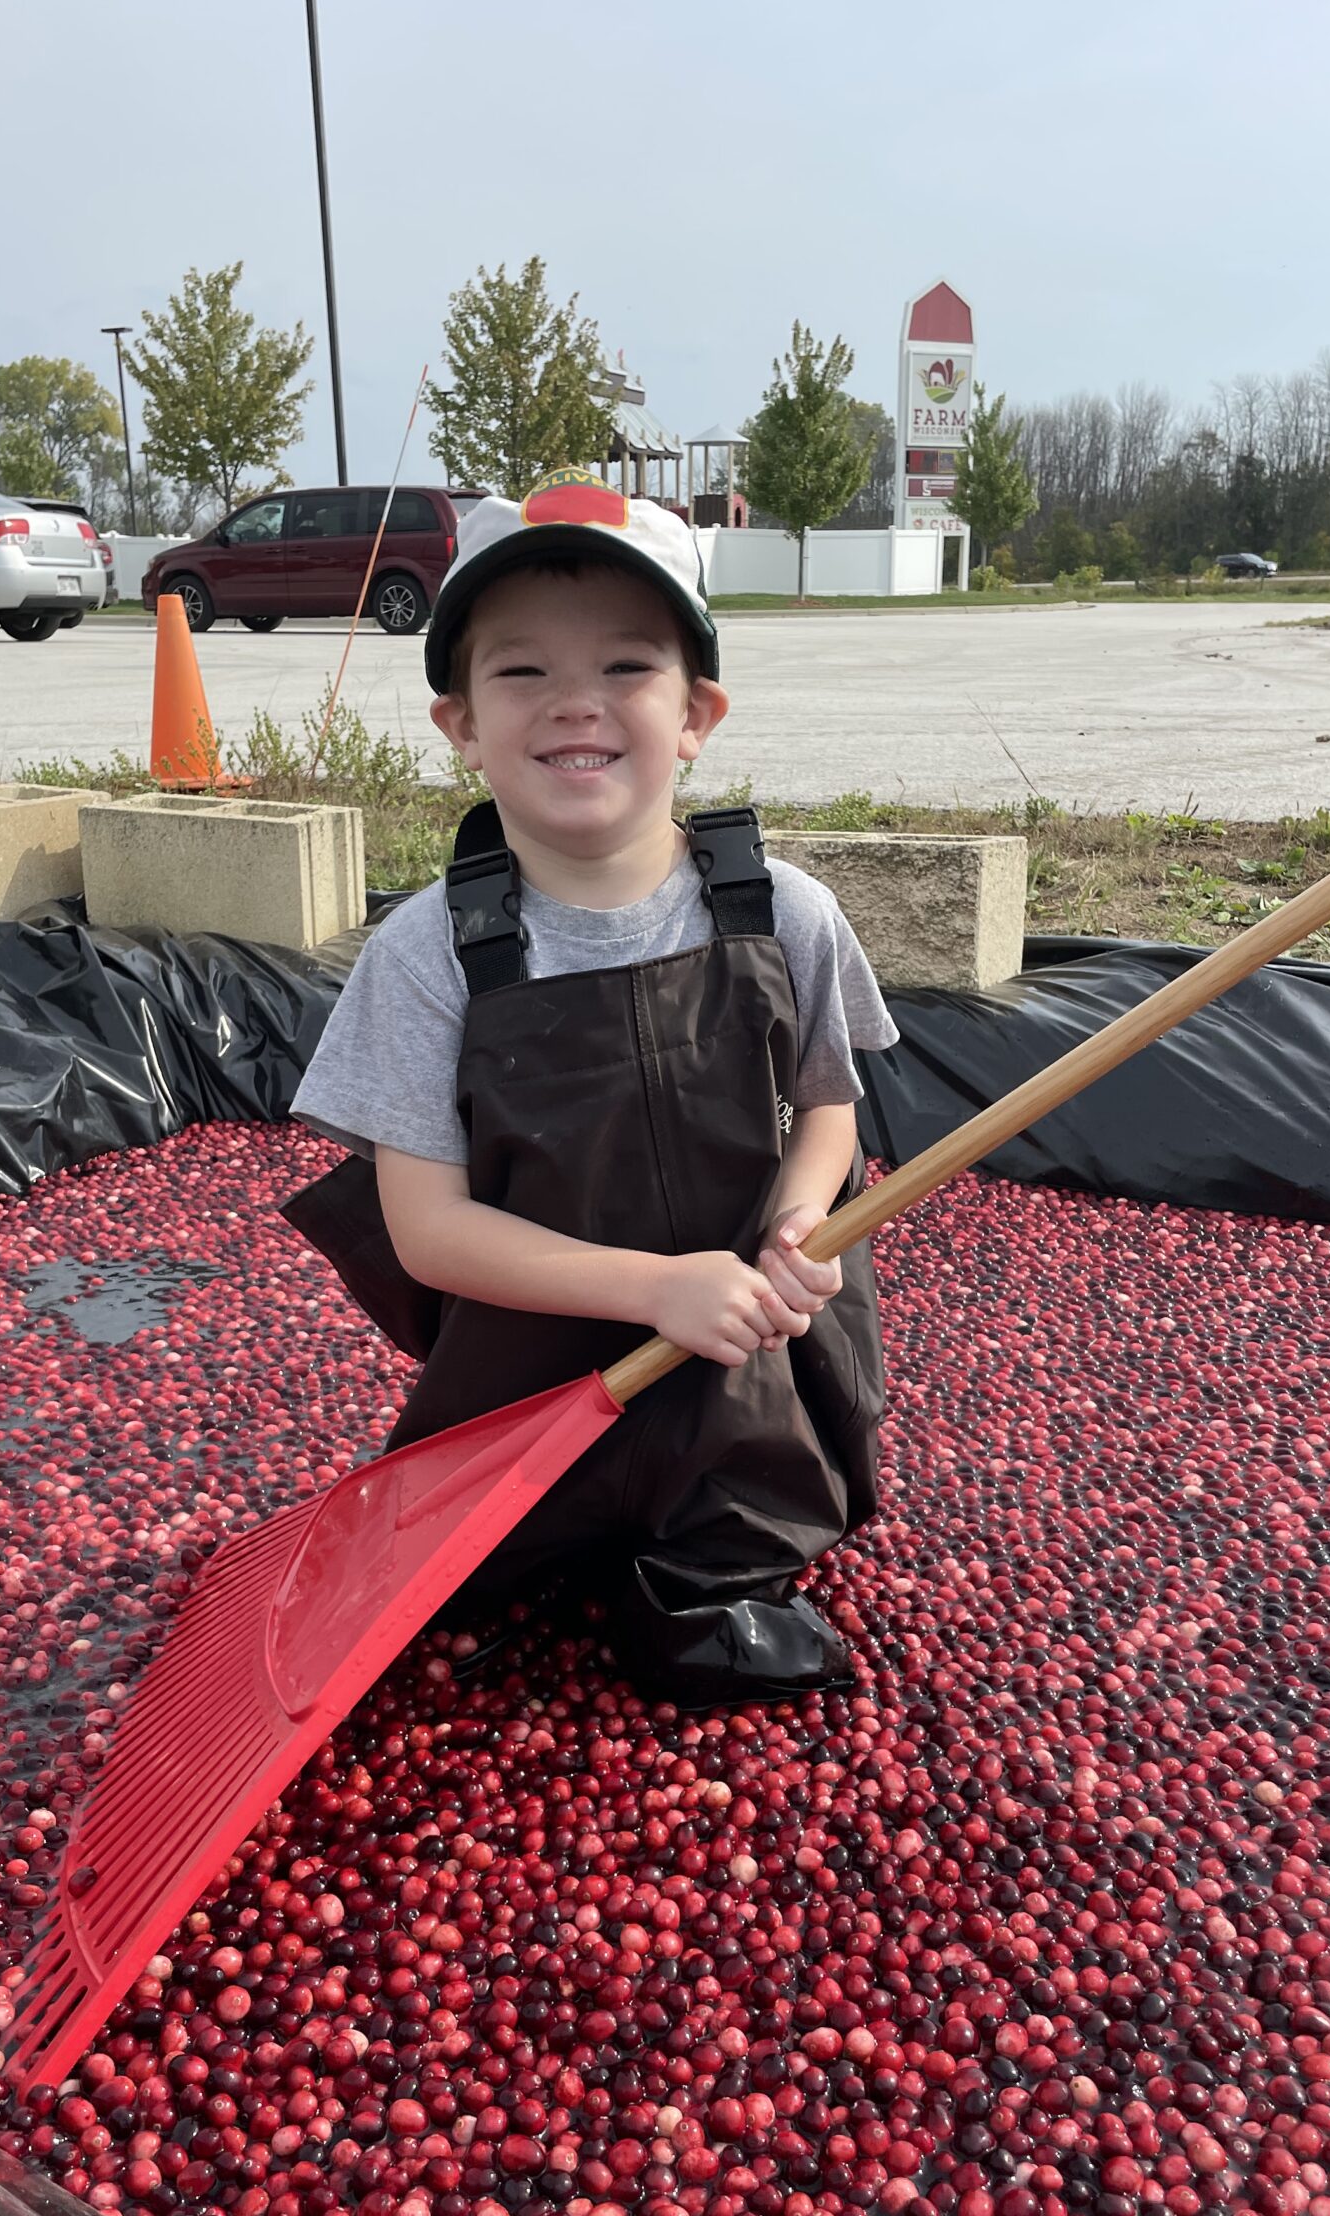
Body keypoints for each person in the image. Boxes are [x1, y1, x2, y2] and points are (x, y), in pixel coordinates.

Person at [283, 469, 897, 1703]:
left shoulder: (784, 913)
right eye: (522, 672)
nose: (576, 704)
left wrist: (796, 1218)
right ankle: (546, 1545)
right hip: (531, 1375)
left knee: (741, 1528)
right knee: (478, 1572)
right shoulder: (426, 953)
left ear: (697, 715)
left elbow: (830, 1105)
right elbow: (428, 1228)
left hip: (743, 1363)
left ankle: (706, 1579)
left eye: (626, 667)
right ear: (459, 721)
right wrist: (650, 1289)